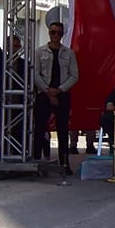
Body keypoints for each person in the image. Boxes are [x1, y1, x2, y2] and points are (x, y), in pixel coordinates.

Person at [35, 20, 78, 174]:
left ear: (62, 35)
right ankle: (37, 162)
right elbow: (35, 74)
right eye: (53, 32)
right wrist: (47, 91)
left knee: (62, 130)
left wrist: (59, 90)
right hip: (44, 93)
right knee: (39, 128)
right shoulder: (40, 51)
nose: (55, 35)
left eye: (58, 33)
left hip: (62, 94)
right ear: (49, 32)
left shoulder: (69, 53)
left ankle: (64, 163)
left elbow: (74, 75)